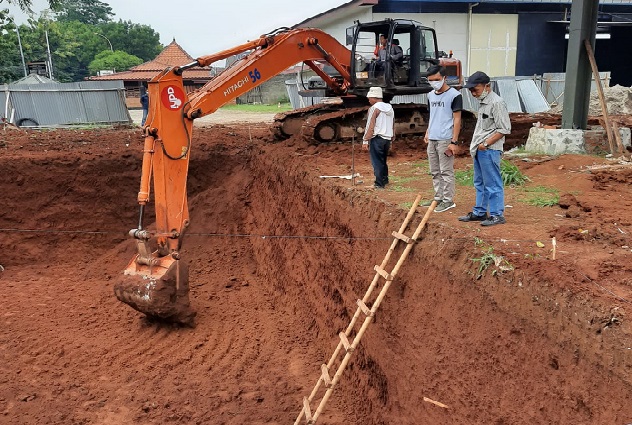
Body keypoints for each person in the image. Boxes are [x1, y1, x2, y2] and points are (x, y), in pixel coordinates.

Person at [458, 71, 511, 226]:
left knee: (493, 182)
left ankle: (496, 214)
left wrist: (486, 144)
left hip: (489, 149)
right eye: (471, 90)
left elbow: (504, 129)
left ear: (487, 86)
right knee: (480, 182)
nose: (473, 93)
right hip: (480, 149)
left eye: (475, 89)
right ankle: (480, 212)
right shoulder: (483, 103)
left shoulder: (496, 103)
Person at [422, 64, 462, 213]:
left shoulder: (454, 95)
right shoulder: (430, 95)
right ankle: (438, 197)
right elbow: (432, 115)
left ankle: (448, 200)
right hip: (432, 138)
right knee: (434, 170)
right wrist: (428, 131)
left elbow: (457, 119)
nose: (434, 82)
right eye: (430, 80)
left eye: (437, 79)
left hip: (445, 139)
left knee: (446, 170)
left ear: (444, 77)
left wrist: (454, 141)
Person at [362, 86, 395, 189]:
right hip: (387, 139)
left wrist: (365, 140)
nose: (368, 100)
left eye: (369, 98)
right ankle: (385, 180)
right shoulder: (390, 108)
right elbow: (393, 124)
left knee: (377, 161)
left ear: (374, 97)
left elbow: (370, 125)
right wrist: (392, 138)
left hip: (377, 138)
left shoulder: (374, 108)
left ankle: (379, 184)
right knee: (383, 160)